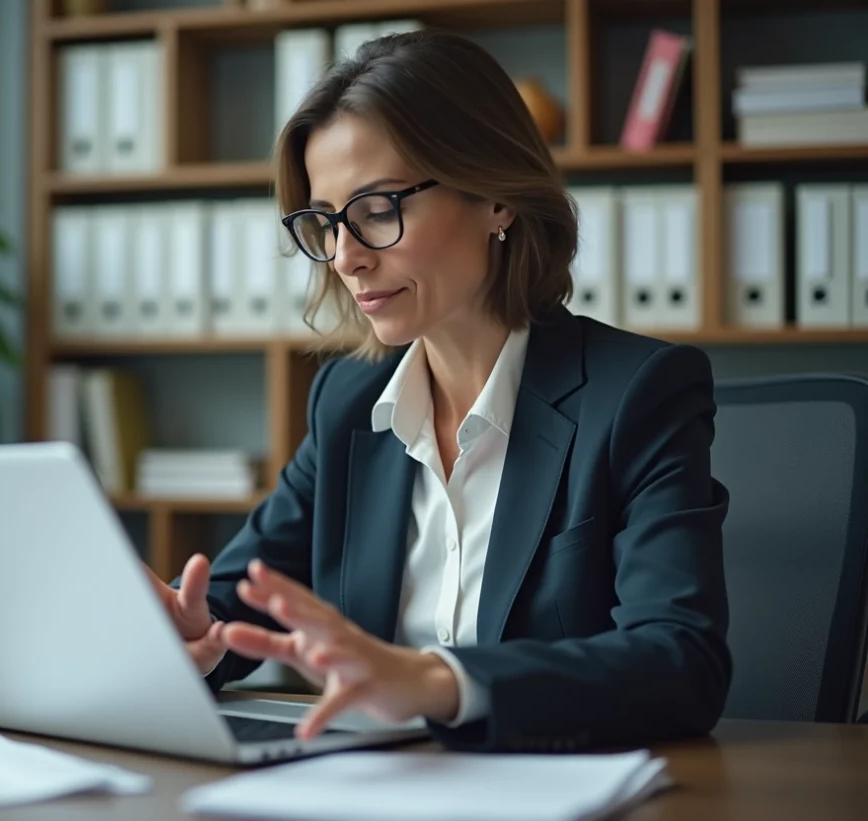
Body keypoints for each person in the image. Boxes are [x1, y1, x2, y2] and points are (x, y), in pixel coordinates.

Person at [144, 28, 731, 753]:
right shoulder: (348, 403)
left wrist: (439, 681)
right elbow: (239, 598)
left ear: (495, 197)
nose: (346, 258)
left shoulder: (637, 393)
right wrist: (195, 632)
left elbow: (681, 662)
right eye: (324, 223)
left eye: (378, 209)